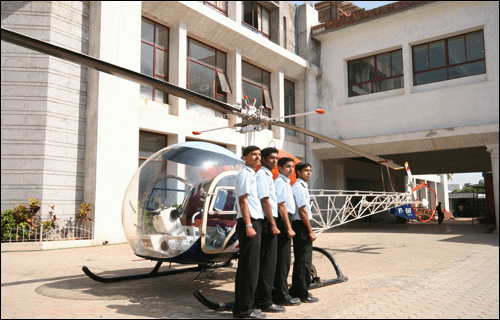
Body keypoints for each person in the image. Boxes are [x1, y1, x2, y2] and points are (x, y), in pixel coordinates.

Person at [233, 146, 266, 319]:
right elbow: (243, 200)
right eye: (253, 155)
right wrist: (248, 225)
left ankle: (246, 306)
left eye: (259, 155)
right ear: (245, 158)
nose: (257, 157)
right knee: (249, 268)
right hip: (249, 223)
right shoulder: (245, 173)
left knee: (251, 267)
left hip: (254, 222)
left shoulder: (252, 174)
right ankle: (244, 311)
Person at [254, 147, 285, 313]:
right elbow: (265, 200)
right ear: (264, 160)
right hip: (267, 221)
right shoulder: (263, 175)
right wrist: (273, 224)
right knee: (268, 262)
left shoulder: (268, 176)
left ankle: (264, 296)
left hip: (270, 219)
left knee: (269, 261)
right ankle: (264, 301)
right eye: (271, 158)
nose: (275, 160)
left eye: (276, 158)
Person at [272, 157, 301, 306]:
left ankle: (279, 292)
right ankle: (282, 295)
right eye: (287, 167)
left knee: (283, 260)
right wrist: (288, 227)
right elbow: (281, 205)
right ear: (280, 168)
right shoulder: (281, 183)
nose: (291, 169)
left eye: (292, 167)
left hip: (285, 219)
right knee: (283, 261)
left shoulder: (286, 183)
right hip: (283, 220)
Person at [289, 162, 319, 303]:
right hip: (301, 225)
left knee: (302, 259)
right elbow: (302, 211)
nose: (309, 173)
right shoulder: (299, 188)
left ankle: (297, 289)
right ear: (298, 172)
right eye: (306, 170)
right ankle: (302, 293)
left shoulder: (300, 186)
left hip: (300, 224)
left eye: (310, 170)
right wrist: (310, 231)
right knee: (304, 260)